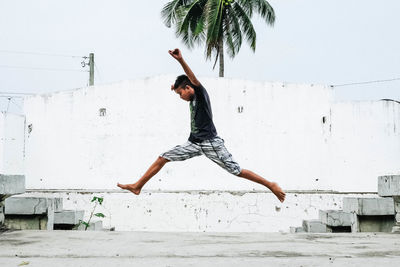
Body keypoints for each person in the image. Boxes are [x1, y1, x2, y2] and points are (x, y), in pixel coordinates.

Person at [117, 48, 286, 202]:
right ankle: (138, 186)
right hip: (194, 143)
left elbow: (191, 79)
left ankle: (270, 184)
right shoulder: (190, 97)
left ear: (189, 88)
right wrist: (175, 87)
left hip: (211, 143)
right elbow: (184, 85)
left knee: (237, 171)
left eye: (180, 93)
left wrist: (180, 60)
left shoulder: (200, 94)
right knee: (163, 157)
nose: (180, 97)